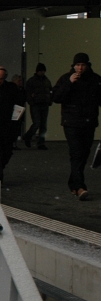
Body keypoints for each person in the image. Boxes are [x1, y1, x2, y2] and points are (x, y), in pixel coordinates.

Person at [52, 52, 101, 201]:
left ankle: (73, 183)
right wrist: (69, 83)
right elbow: (56, 97)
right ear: (73, 66)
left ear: (87, 66)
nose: (80, 68)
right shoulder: (66, 78)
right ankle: (80, 186)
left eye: (83, 65)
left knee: (84, 153)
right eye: (77, 65)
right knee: (77, 153)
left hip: (88, 122)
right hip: (71, 122)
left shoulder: (95, 80)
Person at [23, 63, 53, 150]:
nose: (43, 72)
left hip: (43, 104)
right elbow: (28, 93)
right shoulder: (33, 81)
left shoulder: (45, 80)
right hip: (36, 105)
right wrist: (31, 102)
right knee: (37, 123)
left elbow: (50, 91)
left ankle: (40, 143)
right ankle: (29, 137)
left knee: (42, 125)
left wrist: (49, 101)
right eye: (41, 71)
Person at [11, 75, 27, 149]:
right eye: (19, 81)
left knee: (17, 127)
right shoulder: (13, 89)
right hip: (14, 108)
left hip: (19, 108)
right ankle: (12, 143)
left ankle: (14, 142)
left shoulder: (21, 89)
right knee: (14, 127)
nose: (20, 82)